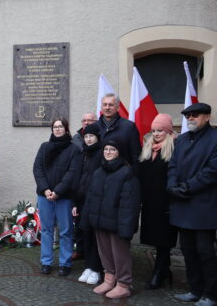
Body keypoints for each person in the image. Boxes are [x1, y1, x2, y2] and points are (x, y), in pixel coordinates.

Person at [168, 103, 217, 306]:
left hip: (205, 206)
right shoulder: (183, 140)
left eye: (195, 115)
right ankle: (195, 290)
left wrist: (187, 187)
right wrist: (171, 185)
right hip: (183, 204)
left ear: (207, 117)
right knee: (187, 250)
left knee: (205, 252)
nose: (190, 118)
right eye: (188, 116)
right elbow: (173, 166)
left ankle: (211, 294)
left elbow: (213, 171)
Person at [81, 138, 141, 299]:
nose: (108, 152)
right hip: (100, 221)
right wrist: (87, 218)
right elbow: (91, 197)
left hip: (117, 224)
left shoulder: (127, 173)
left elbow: (130, 204)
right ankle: (109, 279)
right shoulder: (99, 172)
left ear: (119, 152)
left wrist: (126, 226)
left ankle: (123, 284)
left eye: (112, 150)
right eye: (106, 149)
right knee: (105, 253)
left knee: (120, 254)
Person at [33, 117, 82, 276]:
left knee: (66, 231)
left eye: (61, 126)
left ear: (66, 129)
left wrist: (58, 191)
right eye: (55, 127)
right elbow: (37, 169)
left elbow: (72, 173)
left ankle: (65, 263)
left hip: (64, 196)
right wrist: (46, 189)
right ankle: (46, 262)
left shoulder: (74, 149)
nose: (58, 129)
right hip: (45, 196)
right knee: (46, 230)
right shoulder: (44, 147)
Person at [138, 114, 178, 289]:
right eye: (154, 130)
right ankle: (165, 269)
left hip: (166, 203)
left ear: (168, 131)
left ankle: (158, 273)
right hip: (149, 202)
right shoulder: (148, 148)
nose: (156, 133)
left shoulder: (174, 149)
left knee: (164, 240)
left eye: (160, 130)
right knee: (156, 239)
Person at [72, 124, 103, 285]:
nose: (89, 139)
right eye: (86, 136)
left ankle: (97, 268)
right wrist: (75, 203)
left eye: (91, 136)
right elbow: (78, 179)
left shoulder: (101, 153)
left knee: (96, 236)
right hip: (82, 201)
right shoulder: (83, 153)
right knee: (86, 235)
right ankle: (88, 266)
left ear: (97, 137)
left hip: (96, 202)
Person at [89, 94, 141, 172]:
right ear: (101, 107)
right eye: (104, 105)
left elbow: (136, 155)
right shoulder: (94, 127)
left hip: (121, 176)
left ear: (118, 107)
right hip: (97, 175)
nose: (107, 108)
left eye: (111, 105)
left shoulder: (129, 127)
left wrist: (133, 175)